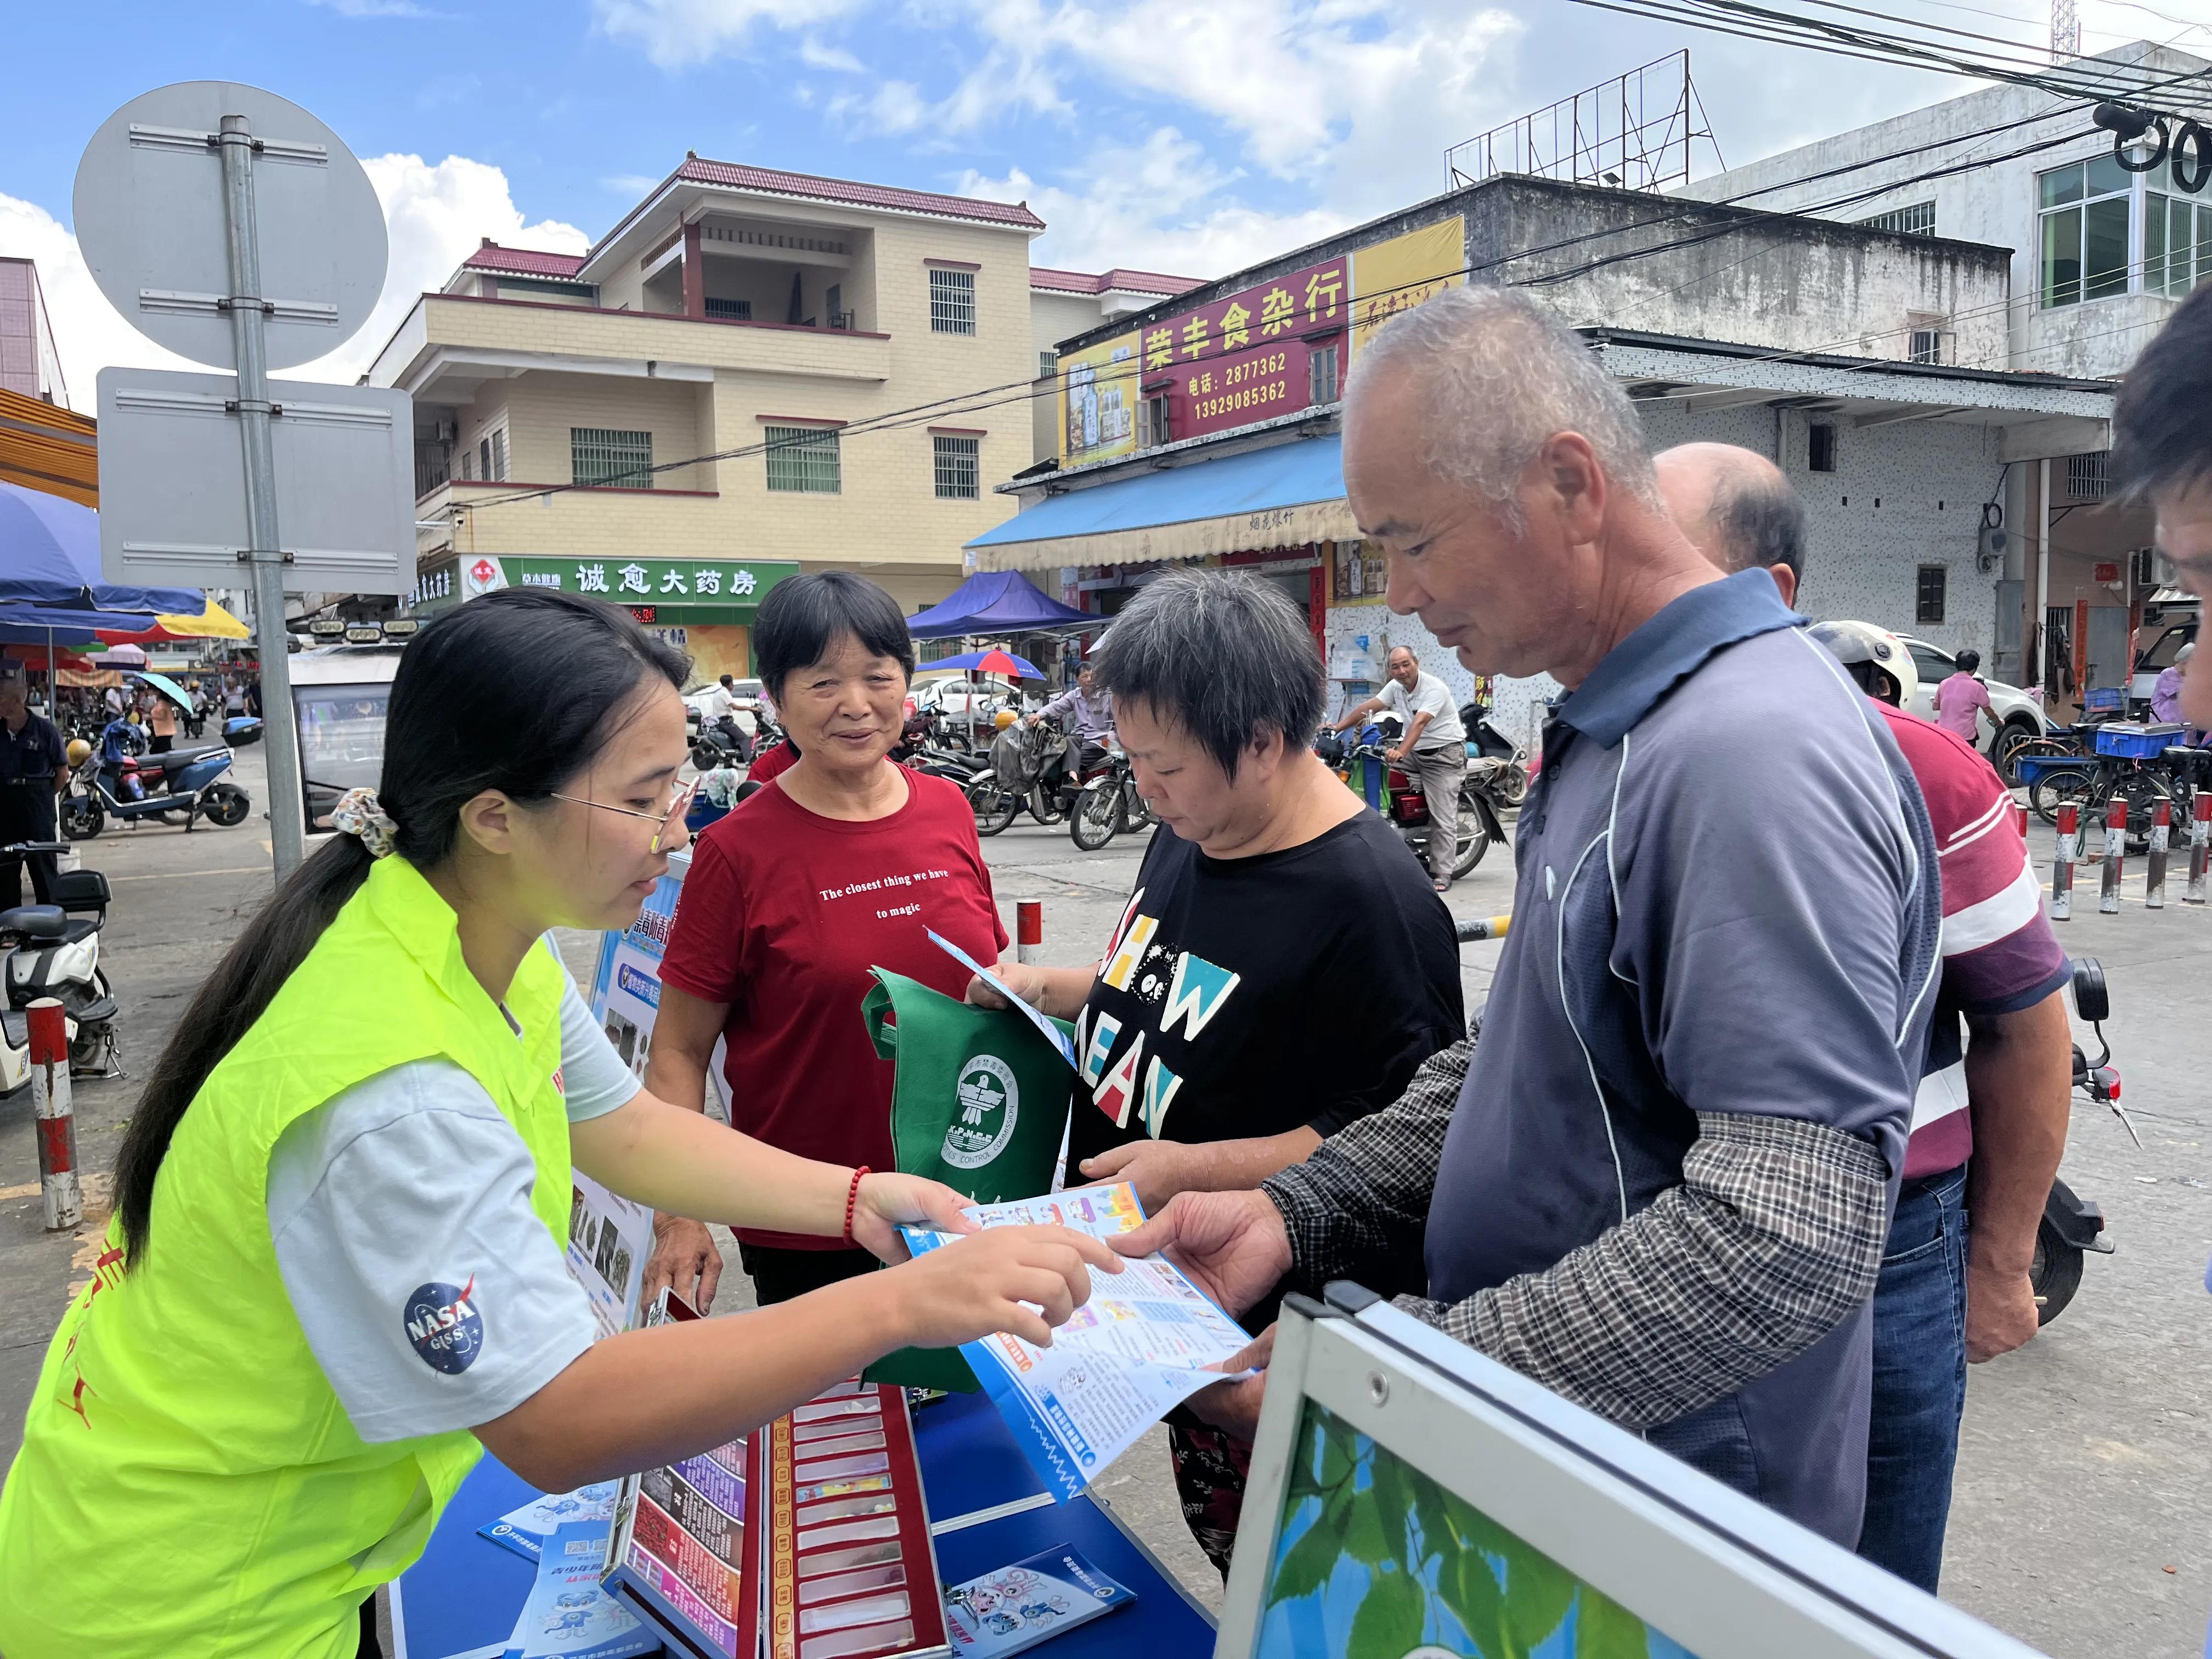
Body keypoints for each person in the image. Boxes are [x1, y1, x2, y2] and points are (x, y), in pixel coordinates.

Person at [0, 588, 1114, 1659]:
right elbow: (558, 1418)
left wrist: (859, 1200)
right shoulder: (391, 1090)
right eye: (640, 799)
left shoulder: (470, 931)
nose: (677, 833)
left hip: (268, 1539)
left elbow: (624, 1124)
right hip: (192, 1603)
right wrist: (904, 1302)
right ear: (494, 817)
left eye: (681, 786)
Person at [1119, 285, 1939, 1549]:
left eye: (1414, 542)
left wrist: (1413, 1378)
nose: (1396, 595)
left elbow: (1786, 1226)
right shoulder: (1619, 723)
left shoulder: (1744, 753)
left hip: (1669, 1525)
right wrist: (1299, 1206)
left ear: (1568, 484)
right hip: (1566, 1478)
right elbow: (1520, 1057)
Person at [968, 568, 1463, 1573]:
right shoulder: (1193, 825)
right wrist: (1049, 986)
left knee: (1290, 1574)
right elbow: (1170, 982)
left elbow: (1400, 1134)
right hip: (1158, 1295)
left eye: (1164, 767)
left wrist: (1192, 1167)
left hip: (1266, 1331)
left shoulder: (1373, 903)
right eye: (1133, 759)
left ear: (1264, 742)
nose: (1144, 789)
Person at [1657, 441, 2074, 1592]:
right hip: (1665, 1229)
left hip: (1894, 1243)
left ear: (1771, 595)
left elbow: (2026, 1026)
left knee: (1871, 1579)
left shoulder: (1924, 773)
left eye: (1663, 575)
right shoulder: (1613, 759)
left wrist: (1998, 1260)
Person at [641, 573, 1013, 1312]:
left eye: (878, 677)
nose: (856, 704)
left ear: (905, 684)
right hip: (807, 1220)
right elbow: (679, 1052)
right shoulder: (738, 851)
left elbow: (988, 985)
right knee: (836, 1426)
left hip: (963, 1196)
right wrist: (678, 1216)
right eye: (823, 683)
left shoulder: (947, 809)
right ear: (776, 699)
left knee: (962, 1419)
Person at [1331, 644, 1468, 891]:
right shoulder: (1396, 687)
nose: (1402, 670)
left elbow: (1419, 723)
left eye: (1406, 664)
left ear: (1416, 663)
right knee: (1371, 763)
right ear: (1390, 670)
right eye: (1396, 667)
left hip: (1443, 756)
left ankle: (1442, 872)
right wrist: (1337, 728)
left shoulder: (1434, 688)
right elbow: (1367, 709)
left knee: (1443, 817)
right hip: (1415, 751)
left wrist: (1401, 751)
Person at [0, 671, 68, 907]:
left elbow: (62, 773)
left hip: (37, 800)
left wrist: (44, 798)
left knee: (42, 862)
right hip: (5, 802)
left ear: (17, 701)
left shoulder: (45, 730)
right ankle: (9, 926)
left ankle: (50, 919)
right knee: (6, 865)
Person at [1933, 647, 1992, 747]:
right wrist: (1999, 721)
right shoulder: (1977, 687)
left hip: (1944, 735)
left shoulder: (1944, 683)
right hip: (1965, 739)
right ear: (1975, 668)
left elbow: (1936, 707)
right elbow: (1988, 711)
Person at [2153, 642, 2193, 726]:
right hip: (2164, 724)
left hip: (2185, 725)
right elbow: (2185, 694)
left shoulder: (2189, 677)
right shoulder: (2168, 674)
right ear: (2184, 662)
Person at [147, 689, 179, 754]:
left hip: (164, 731)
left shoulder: (162, 703)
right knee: (162, 750)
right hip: (162, 731)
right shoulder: (160, 702)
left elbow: (162, 716)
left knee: (157, 751)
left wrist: (150, 717)